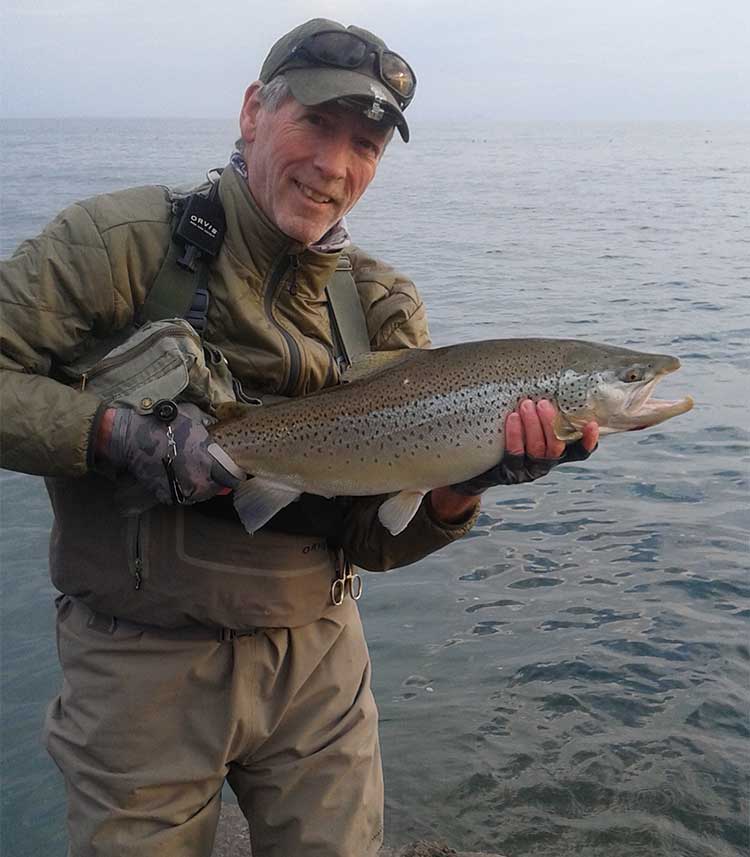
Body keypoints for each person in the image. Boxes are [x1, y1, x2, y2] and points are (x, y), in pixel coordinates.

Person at [0, 17, 598, 857]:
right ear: (253, 111)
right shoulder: (121, 246)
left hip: (319, 669)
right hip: (138, 670)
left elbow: (371, 538)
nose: (335, 166)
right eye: (316, 123)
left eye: (366, 144)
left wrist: (467, 483)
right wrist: (108, 434)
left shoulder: (383, 305)